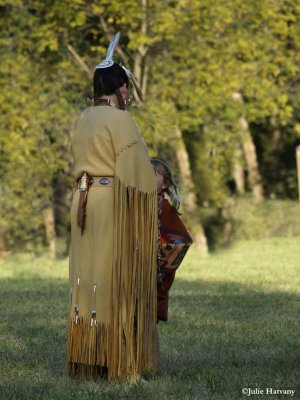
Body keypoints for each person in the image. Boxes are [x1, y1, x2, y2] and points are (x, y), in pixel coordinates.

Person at [67, 32, 158, 382]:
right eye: (126, 88)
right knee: (111, 277)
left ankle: (88, 359)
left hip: (83, 204)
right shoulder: (121, 121)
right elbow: (139, 176)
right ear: (120, 88)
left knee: (86, 277)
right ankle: (119, 362)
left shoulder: (83, 119)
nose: (128, 95)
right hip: (110, 202)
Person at [150, 158, 193, 322]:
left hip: (152, 274)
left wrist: (156, 269)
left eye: (154, 175)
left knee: (147, 320)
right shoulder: (131, 205)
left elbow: (179, 243)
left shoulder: (164, 207)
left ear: (165, 184)